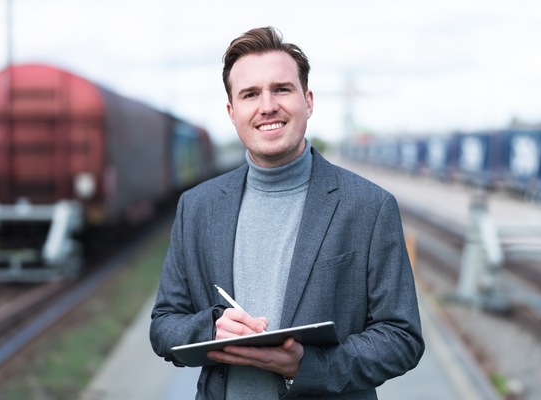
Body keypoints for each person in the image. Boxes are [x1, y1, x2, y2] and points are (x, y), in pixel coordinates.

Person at [150, 26, 424, 399]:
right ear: (232, 112)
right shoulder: (197, 206)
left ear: (308, 100)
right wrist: (210, 330)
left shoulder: (370, 206)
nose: (267, 106)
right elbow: (164, 325)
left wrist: (306, 366)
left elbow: (401, 337)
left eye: (281, 89)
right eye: (250, 94)